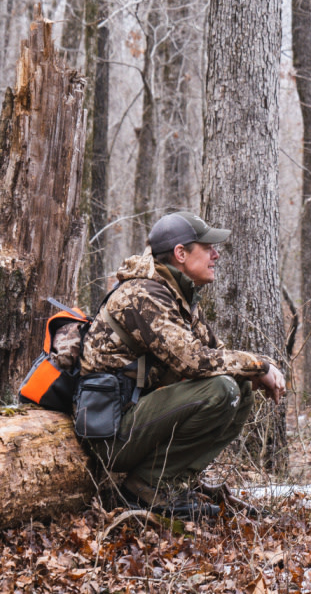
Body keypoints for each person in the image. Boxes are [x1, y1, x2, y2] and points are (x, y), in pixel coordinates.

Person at [80, 212, 286, 516]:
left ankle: (173, 483)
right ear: (180, 253)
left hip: (135, 420)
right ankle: (146, 488)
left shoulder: (176, 294)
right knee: (222, 389)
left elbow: (216, 353)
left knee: (239, 387)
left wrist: (260, 367)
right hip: (109, 434)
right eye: (207, 248)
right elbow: (195, 363)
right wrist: (260, 367)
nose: (216, 255)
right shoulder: (144, 294)